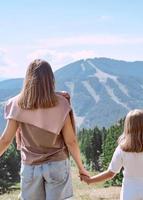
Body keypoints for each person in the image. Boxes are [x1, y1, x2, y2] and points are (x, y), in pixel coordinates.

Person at [0, 59, 89, 200]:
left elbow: (5, 140)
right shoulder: (61, 103)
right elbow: (71, 141)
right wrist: (81, 168)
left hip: (30, 168)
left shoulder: (16, 104)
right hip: (57, 165)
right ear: (50, 79)